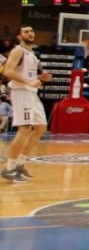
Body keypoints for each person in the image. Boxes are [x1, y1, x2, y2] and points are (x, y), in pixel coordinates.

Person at [1, 25, 53, 183]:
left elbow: (30, 77)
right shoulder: (18, 50)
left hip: (31, 93)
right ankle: (9, 168)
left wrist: (40, 79)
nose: (30, 33)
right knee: (24, 129)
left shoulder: (32, 53)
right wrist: (29, 81)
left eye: (31, 31)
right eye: (26, 32)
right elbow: (8, 71)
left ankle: (20, 163)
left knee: (41, 127)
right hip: (21, 92)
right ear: (19, 36)